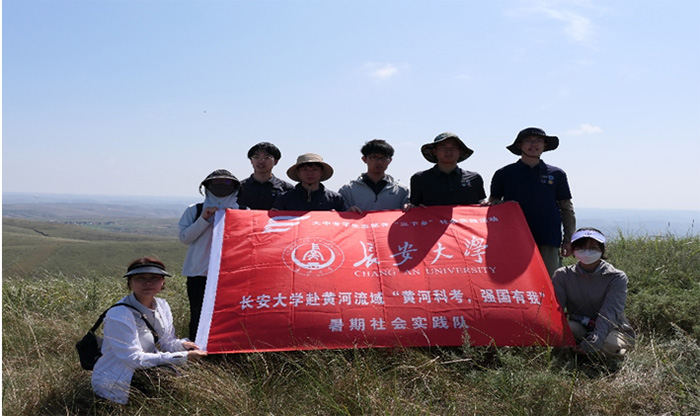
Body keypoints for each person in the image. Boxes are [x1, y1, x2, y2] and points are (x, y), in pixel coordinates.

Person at [91, 257, 207, 405]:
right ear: (130, 283)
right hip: (117, 380)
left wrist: (183, 346)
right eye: (140, 278)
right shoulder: (119, 314)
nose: (148, 283)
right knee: (170, 379)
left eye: (154, 278)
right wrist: (184, 356)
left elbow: (167, 341)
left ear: (162, 282)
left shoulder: (162, 305)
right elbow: (133, 358)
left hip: (142, 370)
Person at [488, 127, 576, 277]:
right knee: (515, 281)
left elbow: (566, 208)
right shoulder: (504, 174)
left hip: (548, 237)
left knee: (549, 281)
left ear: (545, 145)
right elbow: (492, 206)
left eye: (538, 141)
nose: (533, 144)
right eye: (528, 141)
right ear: (519, 145)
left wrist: (568, 239)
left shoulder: (556, 174)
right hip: (513, 238)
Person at [179, 169, 244, 341]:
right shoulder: (195, 209)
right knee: (198, 315)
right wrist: (204, 219)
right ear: (207, 186)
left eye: (227, 183)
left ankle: (226, 352)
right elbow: (185, 238)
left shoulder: (243, 211)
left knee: (230, 315)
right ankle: (197, 353)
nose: (222, 186)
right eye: (216, 182)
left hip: (231, 275)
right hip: (199, 273)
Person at [552, 228, 636, 357]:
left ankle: (588, 350)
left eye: (593, 248)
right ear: (573, 250)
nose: (587, 252)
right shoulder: (562, 275)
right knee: (558, 333)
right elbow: (556, 311)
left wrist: (595, 341)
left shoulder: (616, 277)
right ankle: (579, 350)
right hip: (580, 325)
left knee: (610, 346)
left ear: (602, 250)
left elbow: (609, 313)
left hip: (611, 328)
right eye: (581, 247)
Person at [408, 132, 486, 208]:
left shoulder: (474, 178)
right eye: (443, 148)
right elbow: (414, 206)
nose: (448, 151)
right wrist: (412, 208)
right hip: (434, 221)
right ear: (434, 151)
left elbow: (481, 204)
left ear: (459, 151)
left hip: (465, 221)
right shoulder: (420, 178)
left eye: (453, 148)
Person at [338, 139, 409, 214]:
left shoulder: (401, 191)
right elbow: (337, 218)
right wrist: (347, 212)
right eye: (374, 157)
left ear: (390, 160)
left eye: (384, 158)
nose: (379, 162)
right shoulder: (348, 191)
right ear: (364, 159)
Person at [272, 153, 347, 211]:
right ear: (298, 173)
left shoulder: (335, 199)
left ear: (322, 173)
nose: (310, 173)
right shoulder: (285, 198)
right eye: (305, 170)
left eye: (315, 169)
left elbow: (343, 225)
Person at [237, 142, 294, 210]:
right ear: (251, 161)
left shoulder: (286, 188)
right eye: (256, 157)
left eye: (266, 158)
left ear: (276, 161)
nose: (261, 161)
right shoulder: (239, 188)